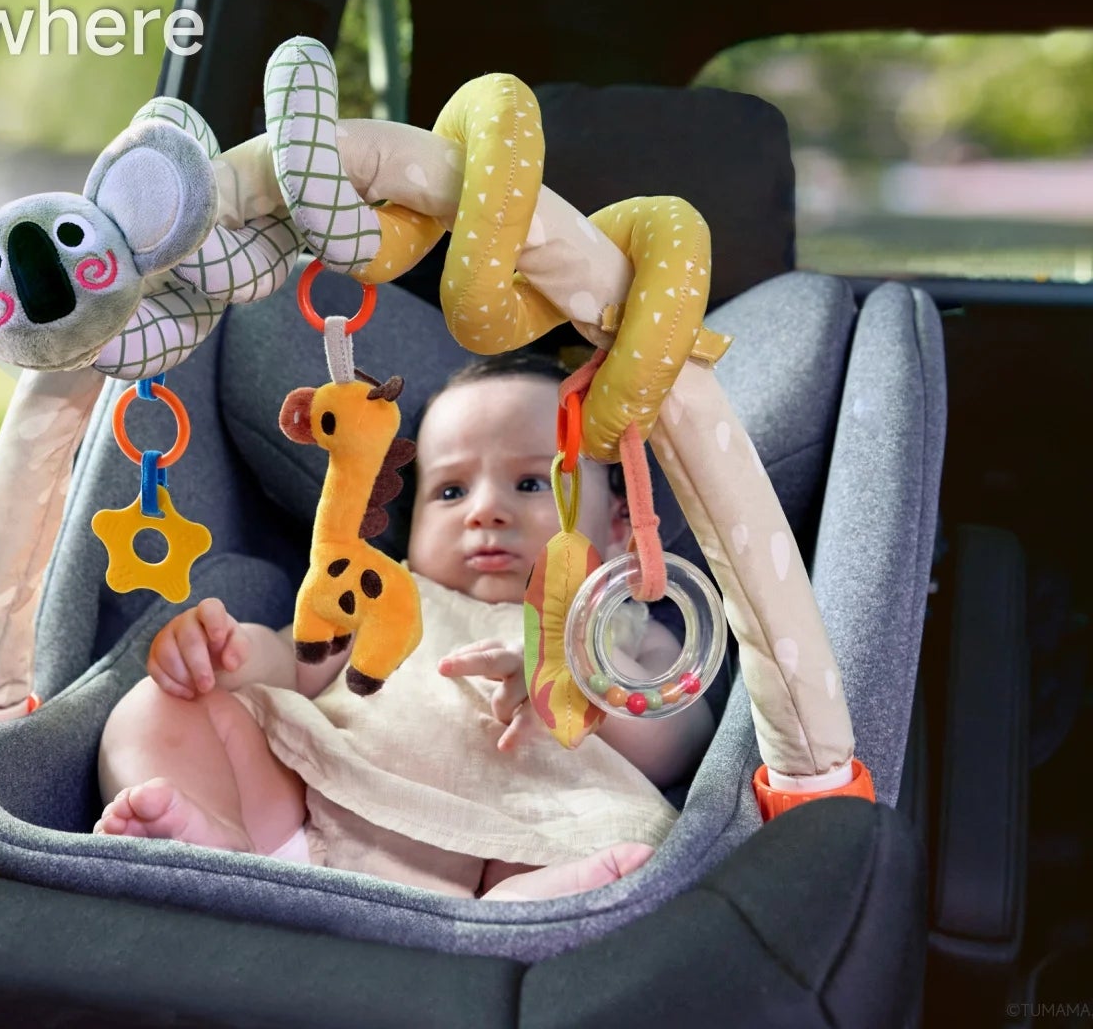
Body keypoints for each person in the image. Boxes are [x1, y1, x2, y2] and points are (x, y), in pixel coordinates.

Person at [94, 353, 716, 900]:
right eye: (449, 492)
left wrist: (573, 681)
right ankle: (221, 846)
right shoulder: (385, 593)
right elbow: (293, 664)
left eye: (530, 482)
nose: (485, 512)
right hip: (328, 811)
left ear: (613, 527)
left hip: (532, 834)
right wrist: (226, 654)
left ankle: (513, 911)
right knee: (164, 704)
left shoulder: (612, 621)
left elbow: (679, 743)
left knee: (620, 848)